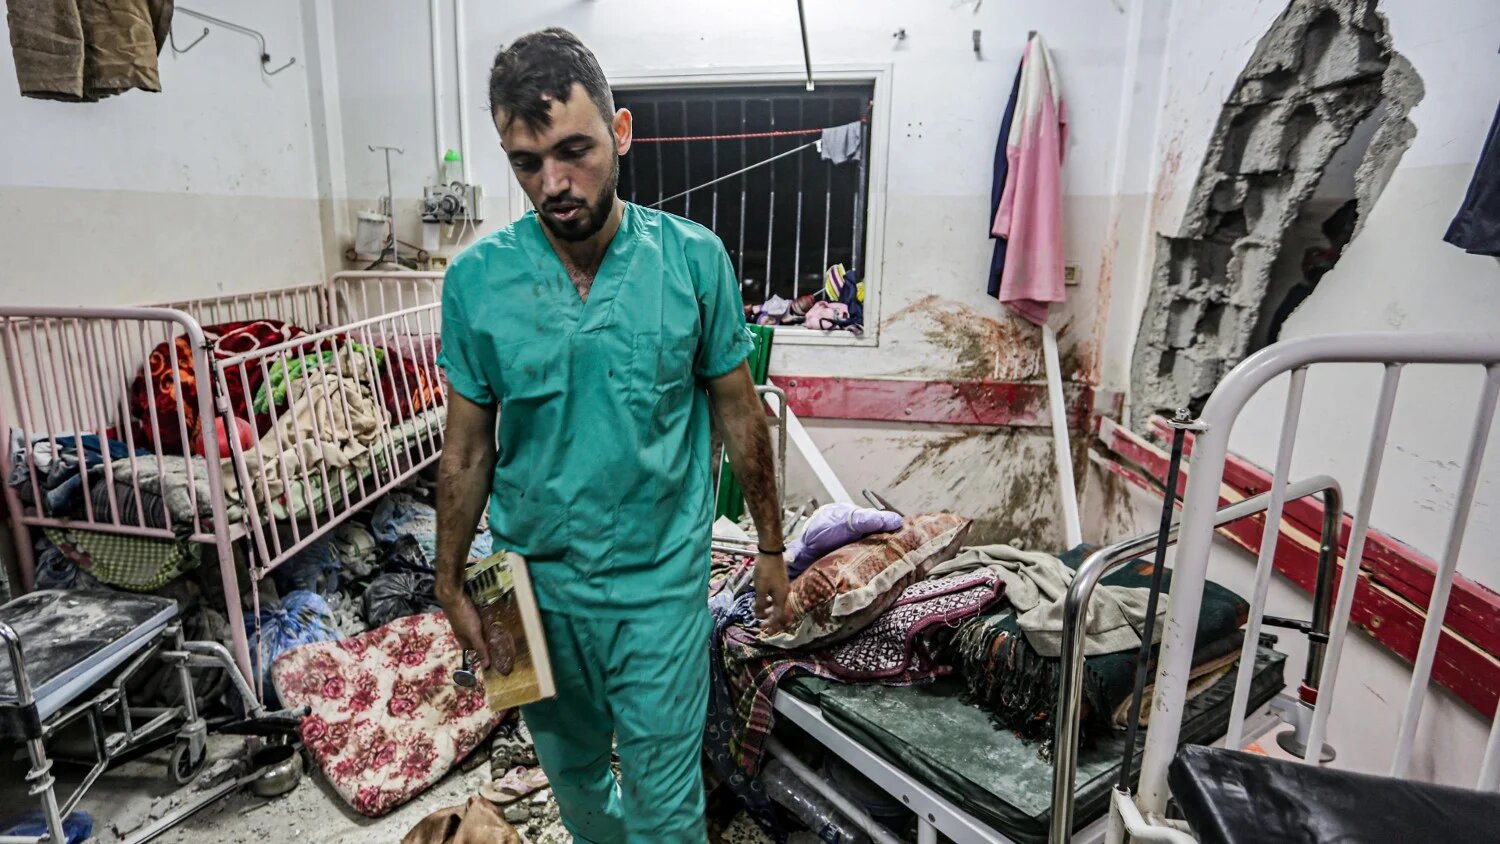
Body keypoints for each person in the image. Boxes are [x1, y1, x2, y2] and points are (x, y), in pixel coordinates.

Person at [432, 27, 788, 844]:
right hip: (525, 587)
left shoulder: (693, 262)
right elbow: (467, 449)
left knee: (667, 806)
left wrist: (770, 546)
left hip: (656, 584)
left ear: (620, 133)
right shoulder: (476, 284)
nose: (554, 182)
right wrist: (449, 579)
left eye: (574, 150)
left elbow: (741, 412)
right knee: (574, 777)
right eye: (525, 161)